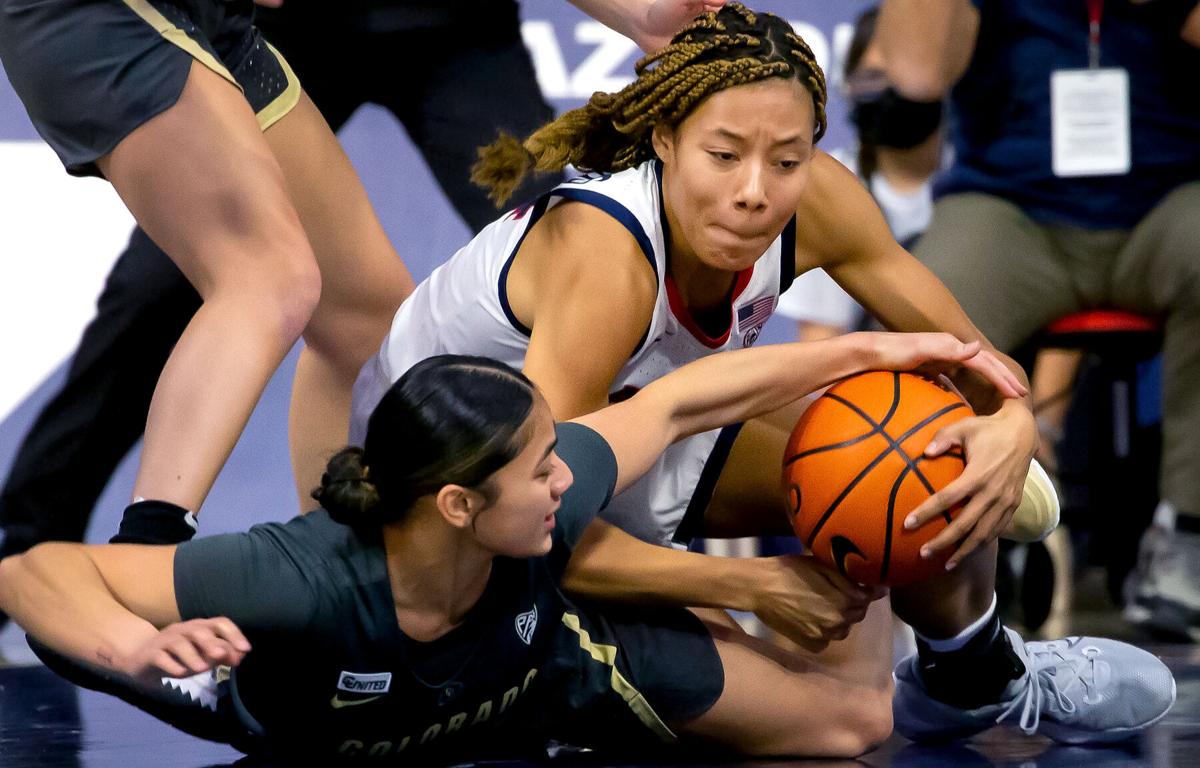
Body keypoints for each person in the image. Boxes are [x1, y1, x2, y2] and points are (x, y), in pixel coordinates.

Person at [0, 336, 1176, 761]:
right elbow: (31, 571)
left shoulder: (538, 508)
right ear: (458, 504)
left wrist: (883, 354)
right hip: (316, 721)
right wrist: (138, 640)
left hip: (536, 665)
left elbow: (684, 402)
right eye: (541, 467)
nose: (568, 477)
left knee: (851, 726)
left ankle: (948, 683)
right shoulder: (297, 579)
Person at [0, 0, 726, 629]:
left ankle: (338, 587)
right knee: (216, 282)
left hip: (441, 31)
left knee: (380, 319)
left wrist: (632, 13)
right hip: (279, 28)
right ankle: (77, 554)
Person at [874, 0, 1200, 641]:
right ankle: (921, 542)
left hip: (1165, 204)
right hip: (1013, 209)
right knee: (925, 306)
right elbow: (915, 75)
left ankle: (1189, 533)